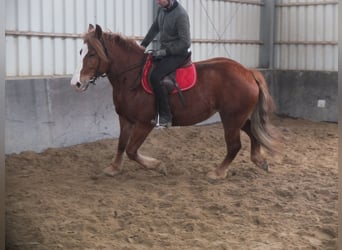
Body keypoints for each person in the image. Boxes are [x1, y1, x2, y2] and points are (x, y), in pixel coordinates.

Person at [141, 0, 191, 128]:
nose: (157, 2)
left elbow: (185, 42)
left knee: (155, 76)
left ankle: (166, 116)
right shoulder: (161, 10)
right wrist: (143, 45)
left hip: (178, 54)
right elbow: (155, 28)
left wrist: (165, 52)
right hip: (165, 52)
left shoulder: (181, 15)